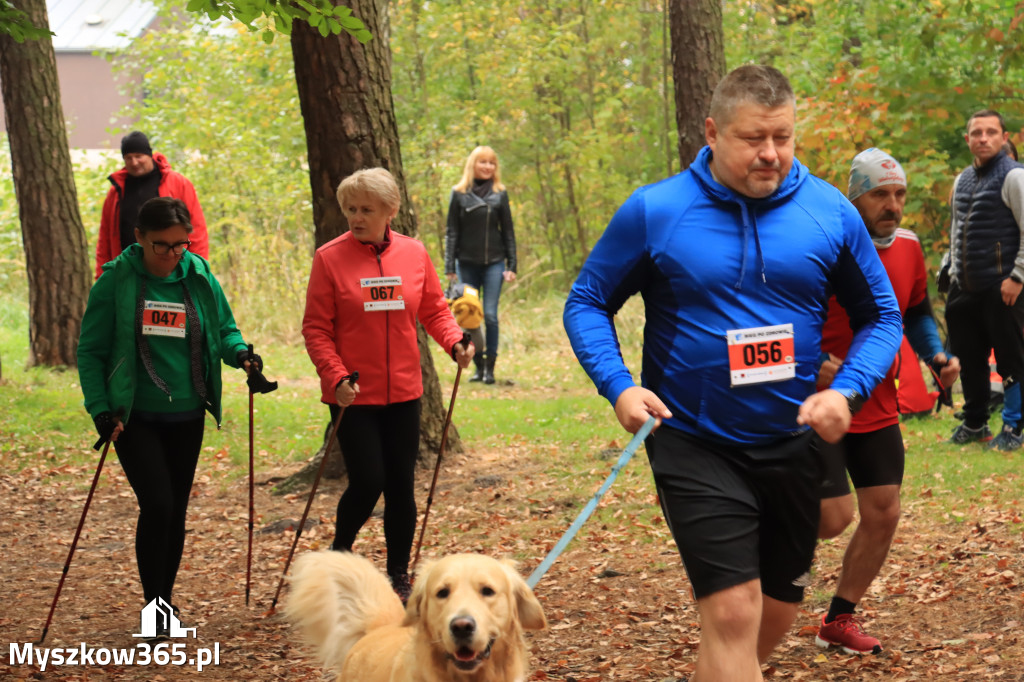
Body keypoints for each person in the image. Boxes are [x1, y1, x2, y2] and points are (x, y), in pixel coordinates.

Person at [563, 64, 903, 682]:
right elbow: (587, 300)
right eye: (753, 139)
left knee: (771, 616)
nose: (770, 154)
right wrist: (619, 385)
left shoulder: (830, 212)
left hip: (793, 443)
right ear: (713, 132)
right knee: (733, 610)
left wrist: (848, 391)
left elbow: (881, 316)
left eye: (784, 137)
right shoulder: (657, 210)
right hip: (694, 439)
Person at [78, 196, 261, 636]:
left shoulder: (198, 275)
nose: (174, 255)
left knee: (174, 510)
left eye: (182, 244)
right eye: (163, 246)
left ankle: (163, 607)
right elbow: (91, 351)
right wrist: (100, 409)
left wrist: (243, 356)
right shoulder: (115, 281)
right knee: (157, 504)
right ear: (139, 238)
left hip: (187, 412)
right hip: (134, 415)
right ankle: (153, 608)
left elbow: (224, 330)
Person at [303, 167, 474, 603]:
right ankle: (338, 559)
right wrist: (335, 375)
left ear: (390, 211)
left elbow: (435, 310)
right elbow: (316, 329)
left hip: (403, 392)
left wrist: (456, 342)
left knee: (400, 483)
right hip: (353, 394)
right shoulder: (329, 258)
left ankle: (399, 575)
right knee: (368, 480)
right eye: (350, 209)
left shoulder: (413, 254)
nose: (356, 217)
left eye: (366, 210)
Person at [814, 149, 961, 655]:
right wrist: (812, 361)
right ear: (854, 196)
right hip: (819, 401)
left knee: (883, 512)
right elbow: (786, 315)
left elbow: (916, 310)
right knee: (832, 517)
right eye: (879, 194)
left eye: (898, 194)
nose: (892, 205)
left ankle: (839, 618)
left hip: (877, 402)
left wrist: (935, 353)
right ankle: (755, 566)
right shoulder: (824, 244)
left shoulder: (910, 248)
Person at [944, 110, 1024, 445]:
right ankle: (975, 423)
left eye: (991, 132)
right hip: (965, 285)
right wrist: (948, 269)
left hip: (1003, 286)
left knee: (1012, 359)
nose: (983, 138)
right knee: (970, 360)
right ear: (968, 139)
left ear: (1005, 138)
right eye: (977, 132)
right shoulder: (961, 179)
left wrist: (1018, 276)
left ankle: (1014, 426)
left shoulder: (1015, 177)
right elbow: (957, 230)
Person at [444, 146, 517, 384]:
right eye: (482, 162)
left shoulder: (500, 193)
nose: (487, 166)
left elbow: (508, 231)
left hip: (494, 263)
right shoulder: (459, 193)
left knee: (491, 315)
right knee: (469, 315)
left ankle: (490, 369)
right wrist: (450, 267)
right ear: (473, 164)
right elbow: (452, 231)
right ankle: (477, 365)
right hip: (466, 264)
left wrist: (512, 264)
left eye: (492, 163)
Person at [95, 131, 209, 279]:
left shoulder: (178, 184)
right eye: (128, 158)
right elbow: (105, 240)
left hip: (171, 272)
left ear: (149, 154)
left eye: (138, 156)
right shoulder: (116, 192)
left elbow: (196, 230)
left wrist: (197, 272)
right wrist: (102, 277)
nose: (134, 162)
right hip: (127, 273)